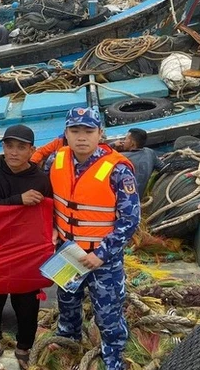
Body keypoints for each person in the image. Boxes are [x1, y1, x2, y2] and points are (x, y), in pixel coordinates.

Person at [50, 107, 140, 370]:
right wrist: (51, 228)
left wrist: (101, 254)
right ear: (66, 133)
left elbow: (129, 220)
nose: (81, 137)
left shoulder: (118, 171)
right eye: (74, 131)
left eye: (88, 131)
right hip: (68, 251)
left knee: (108, 312)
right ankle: (68, 337)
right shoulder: (56, 160)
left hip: (104, 259)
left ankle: (113, 354)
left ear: (100, 133)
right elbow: (48, 201)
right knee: (67, 300)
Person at [0, 126, 53, 369]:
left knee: (27, 302)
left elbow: (50, 215)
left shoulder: (41, 179)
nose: (14, 152)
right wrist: (18, 201)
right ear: (3, 147)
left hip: (26, 250)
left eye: (21, 147)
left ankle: (24, 347)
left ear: (32, 150)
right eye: (9, 146)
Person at [115, 128, 163, 194]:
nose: (123, 141)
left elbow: (101, 156)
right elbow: (163, 167)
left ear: (132, 143)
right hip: (141, 195)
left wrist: (113, 145)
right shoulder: (150, 152)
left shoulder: (121, 157)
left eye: (125, 139)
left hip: (126, 199)